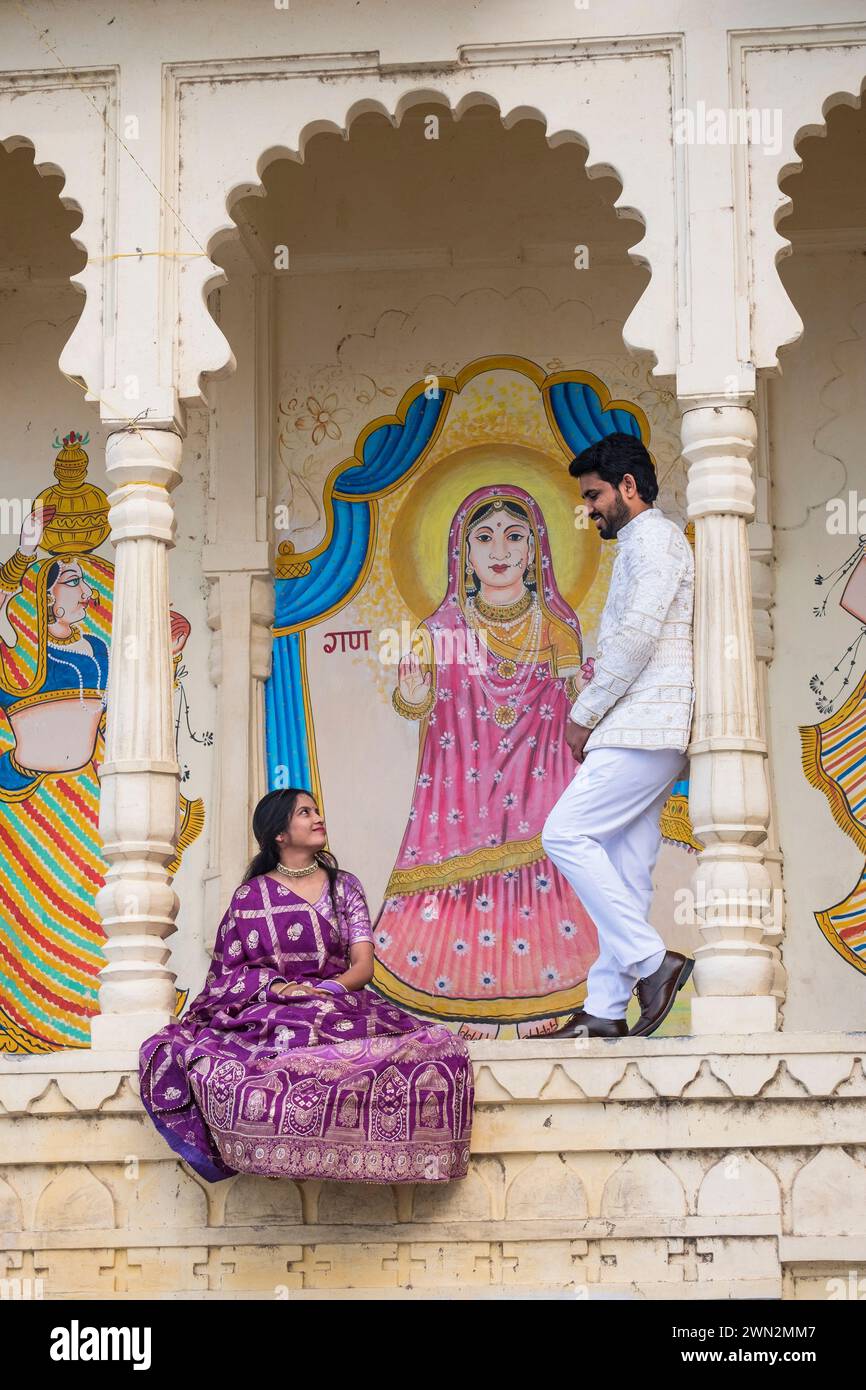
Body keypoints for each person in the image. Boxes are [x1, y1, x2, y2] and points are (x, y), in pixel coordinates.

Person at [139, 788, 474, 1184]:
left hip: (338, 1000)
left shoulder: (343, 887)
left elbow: (363, 965)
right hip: (271, 1004)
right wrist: (281, 990)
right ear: (280, 833)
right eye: (304, 812)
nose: (318, 818)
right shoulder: (251, 896)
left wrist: (327, 991)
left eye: (316, 810)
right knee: (220, 1059)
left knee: (438, 1048)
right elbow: (228, 975)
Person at [372, 483, 601, 1038]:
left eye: (514, 536)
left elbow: (576, 702)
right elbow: (415, 702)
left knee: (543, 879)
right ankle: (461, 1002)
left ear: (533, 550)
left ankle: (542, 1003)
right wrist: (415, 688)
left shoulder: (554, 627)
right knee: (465, 890)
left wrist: (589, 689)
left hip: (539, 776)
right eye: (484, 537)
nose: (500, 549)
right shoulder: (441, 630)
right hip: (462, 785)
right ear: (464, 554)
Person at [541, 433, 695, 1038]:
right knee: (628, 870)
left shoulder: (653, 538)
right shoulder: (644, 542)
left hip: (641, 723)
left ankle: (656, 962)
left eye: (595, 495)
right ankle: (605, 1009)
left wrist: (584, 714)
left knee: (565, 833)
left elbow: (635, 640)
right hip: (649, 728)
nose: (589, 508)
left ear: (628, 487)